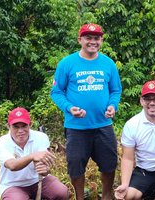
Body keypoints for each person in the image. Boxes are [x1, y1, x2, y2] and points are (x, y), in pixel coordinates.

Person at [50, 23, 122, 200]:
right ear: (80, 40)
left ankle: (106, 197)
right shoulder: (67, 63)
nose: (92, 42)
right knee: (75, 166)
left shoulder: (108, 63)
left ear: (101, 40)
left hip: (103, 125)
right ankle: (80, 198)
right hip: (76, 127)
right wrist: (69, 108)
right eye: (88, 38)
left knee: (109, 164)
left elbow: (115, 90)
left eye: (96, 38)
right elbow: (57, 92)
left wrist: (113, 106)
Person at [0, 107, 68, 200]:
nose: (20, 130)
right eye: (16, 126)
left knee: (61, 192)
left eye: (24, 126)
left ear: (30, 125)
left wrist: (45, 170)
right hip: (12, 185)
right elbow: (12, 165)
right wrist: (32, 156)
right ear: (8, 126)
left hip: (38, 180)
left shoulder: (41, 137)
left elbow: (45, 167)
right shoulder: (1, 143)